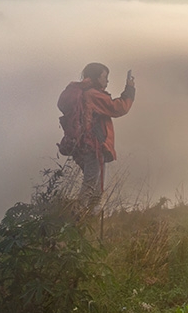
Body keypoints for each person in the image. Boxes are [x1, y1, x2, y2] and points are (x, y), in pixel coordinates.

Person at [57, 62, 135, 211]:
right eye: (105, 77)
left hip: (82, 146)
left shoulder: (82, 92)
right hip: (93, 146)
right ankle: (78, 218)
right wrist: (130, 89)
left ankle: (88, 219)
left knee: (94, 188)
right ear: (96, 77)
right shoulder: (92, 94)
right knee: (90, 187)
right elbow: (118, 108)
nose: (107, 81)